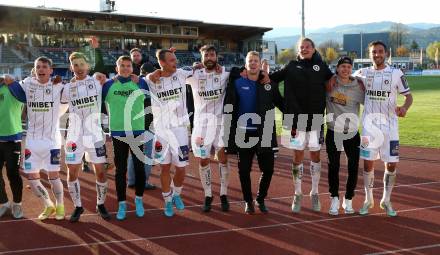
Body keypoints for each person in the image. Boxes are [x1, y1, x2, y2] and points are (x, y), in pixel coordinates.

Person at [270, 37, 334, 213]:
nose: (304, 49)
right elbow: (270, 80)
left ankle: (314, 192)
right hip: (294, 121)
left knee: (315, 156)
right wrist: (283, 106)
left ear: (313, 49)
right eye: (301, 47)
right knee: (297, 156)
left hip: (315, 120)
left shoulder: (321, 67)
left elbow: (335, 82)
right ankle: (297, 193)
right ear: (298, 50)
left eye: (307, 47)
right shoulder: (291, 66)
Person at [354, 41, 413, 217]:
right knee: (368, 162)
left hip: (390, 126)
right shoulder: (362, 73)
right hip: (368, 127)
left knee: (391, 163)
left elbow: (409, 97)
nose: (377, 54)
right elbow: (343, 77)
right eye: (374, 52)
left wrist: (404, 108)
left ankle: (386, 200)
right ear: (369, 54)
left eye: (380, 51)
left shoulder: (396, 73)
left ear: (386, 53)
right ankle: (368, 199)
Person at [6, 57, 67, 220]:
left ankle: (60, 204)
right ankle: (48, 205)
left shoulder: (59, 87)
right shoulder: (27, 83)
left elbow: (75, 90)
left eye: (44, 67)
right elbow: (11, 84)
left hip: (52, 140)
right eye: (38, 67)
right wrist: (6, 78)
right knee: (33, 178)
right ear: (34, 70)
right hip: (32, 141)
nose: (41, 69)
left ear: (51, 70)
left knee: (53, 176)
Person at [224, 51, 284, 214]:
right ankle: (248, 201)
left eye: (256, 61)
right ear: (246, 64)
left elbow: (281, 104)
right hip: (243, 133)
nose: (253, 63)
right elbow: (229, 107)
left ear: (259, 64)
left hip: (264, 132)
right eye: (250, 61)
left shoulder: (268, 83)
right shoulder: (237, 82)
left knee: (268, 170)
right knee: (244, 170)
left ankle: (260, 199)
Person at [62, 52, 111, 222]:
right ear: (71, 67)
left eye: (81, 64)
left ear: (87, 66)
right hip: (74, 136)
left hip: (95, 134)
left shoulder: (97, 81)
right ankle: (77, 206)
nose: (79, 68)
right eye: (75, 65)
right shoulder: (66, 88)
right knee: (72, 170)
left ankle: (100, 203)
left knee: (100, 171)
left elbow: (115, 78)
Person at [145, 49, 192, 217]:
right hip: (161, 132)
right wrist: (152, 75)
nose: (175, 62)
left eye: (175, 59)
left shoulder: (181, 74)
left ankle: (176, 194)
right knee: (164, 168)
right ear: (162, 63)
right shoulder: (150, 80)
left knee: (181, 168)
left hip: (179, 130)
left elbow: (197, 68)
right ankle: (167, 201)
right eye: (172, 60)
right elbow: (138, 79)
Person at [102, 56, 148, 220]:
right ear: (117, 68)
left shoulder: (140, 83)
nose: (126, 68)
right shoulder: (108, 85)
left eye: (129, 66)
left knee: (139, 168)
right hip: (118, 133)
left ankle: (139, 200)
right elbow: (99, 101)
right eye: (122, 65)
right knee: (120, 170)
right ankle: (122, 203)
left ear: (132, 68)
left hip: (137, 131)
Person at [186, 45, 230, 212]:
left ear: (217, 56)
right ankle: (208, 194)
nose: (210, 58)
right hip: (201, 127)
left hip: (220, 124)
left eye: (212, 55)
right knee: (204, 160)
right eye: (206, 55)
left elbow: (242, 72)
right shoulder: (195, 74)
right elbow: (175, 73)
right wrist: (193, 66)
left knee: (222, 158)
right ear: (202, 57)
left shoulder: (225, 72)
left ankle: (224, 193)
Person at [325, 56, 364, 215]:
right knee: (333, 167)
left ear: (351, 69)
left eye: (349, 67)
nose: (346, 69)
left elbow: (371, 102)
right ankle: (334, 198)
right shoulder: (329, 84)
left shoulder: (359, 87)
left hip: (352, 133)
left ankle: (348, 199)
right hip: (334, 132)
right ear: (337, 68)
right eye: (343, 66)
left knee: (353, 168)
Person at [127, 63, 157, 191]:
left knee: (133, 154)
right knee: (146, 155)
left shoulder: (132, 82)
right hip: (144, 125)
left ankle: (132, 180)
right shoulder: (145, 83)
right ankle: (143, 181)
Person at [0, 76, 24, 219]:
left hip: (12, 139)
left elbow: (25, 98)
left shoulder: (11, 86)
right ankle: (4, 203)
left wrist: (13, 82)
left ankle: (17, 204)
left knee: (13, 174)